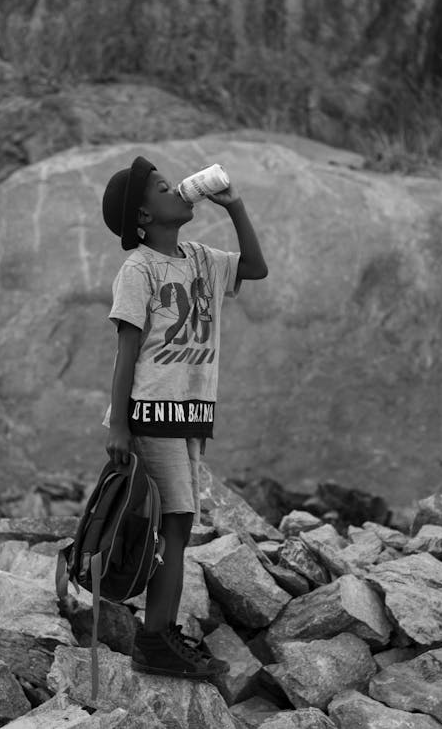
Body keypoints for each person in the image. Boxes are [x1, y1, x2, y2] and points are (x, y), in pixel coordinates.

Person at [101, 155, 268, 679]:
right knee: (171, 527)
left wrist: (234, 205)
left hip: (189, 415)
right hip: (152, 414)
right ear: (143, 217)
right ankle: (155, 640)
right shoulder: (139, 269)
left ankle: (161, 633)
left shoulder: (199, 256)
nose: (179, 189)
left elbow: (255, 268)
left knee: (176, 525)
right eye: (162, 188)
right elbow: (127, 350)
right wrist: (119, 425)